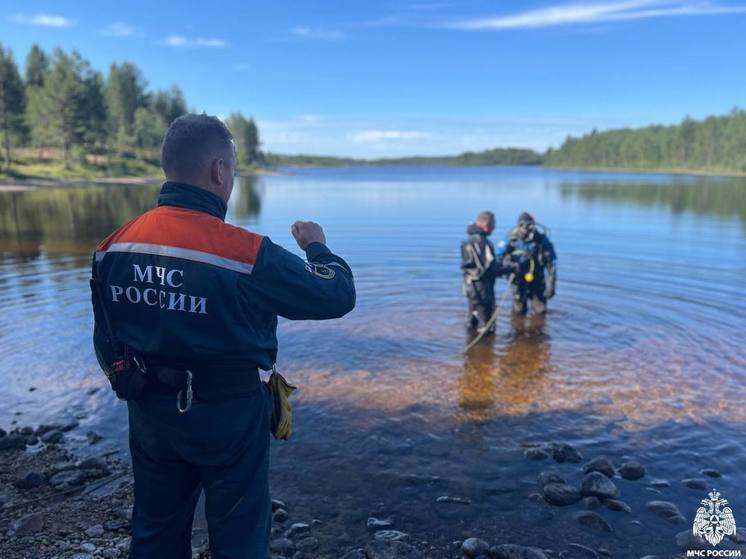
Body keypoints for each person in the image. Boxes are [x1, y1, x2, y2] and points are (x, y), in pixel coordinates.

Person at [90, 114, 355, 558]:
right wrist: (317, 246)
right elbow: (337, 294)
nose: (231, 181)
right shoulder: (245, 253)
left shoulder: (112, 246)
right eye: (231, 170)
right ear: (218, 170)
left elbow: (105, 340)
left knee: (155, 530)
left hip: (149, 411)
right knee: (240, 537)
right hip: (230, 415)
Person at [461, 211, 516, 332]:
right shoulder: (483, 243)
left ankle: (470, 347)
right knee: (487, 326)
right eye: (493, 225)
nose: (494, 228)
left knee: (472, 321)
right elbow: (490, 270)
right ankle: (484, 349)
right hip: (483, 290)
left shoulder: (469, 240)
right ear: (486, 225)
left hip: (470, 287)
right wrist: (510, 268)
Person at [498, 212, 556, 315]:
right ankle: (518, 329)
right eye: (521, 225)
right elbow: (498, 256)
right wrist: (505, 268)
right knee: (519, 311)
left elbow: (551, 263)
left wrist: (551, 285)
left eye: (528, 225)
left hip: (537, 279)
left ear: (533, 226)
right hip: (517, 278)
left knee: (540, 311)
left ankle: (538, 329)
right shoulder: (511, 239)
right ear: (518, 225)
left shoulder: (541, 240)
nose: (525, 228)